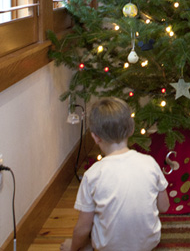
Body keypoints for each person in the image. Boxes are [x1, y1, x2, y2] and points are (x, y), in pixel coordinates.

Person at [61, 97, 170, 251]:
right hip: (148, 244)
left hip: (109, 247)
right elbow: (164, 207)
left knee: (88, 232)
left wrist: (72, 247)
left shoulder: (92, 175)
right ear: (131, 129)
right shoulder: (150, 163)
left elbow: (83, 228)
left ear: (95, 137)